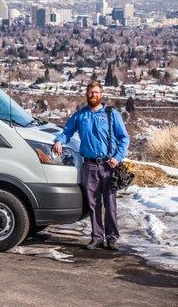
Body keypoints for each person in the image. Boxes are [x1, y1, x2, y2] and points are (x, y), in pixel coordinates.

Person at [52, 80, 130, 251]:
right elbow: (67, 132)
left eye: (96, 92)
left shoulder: (111, 114)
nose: (93, 95)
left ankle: (112, 238)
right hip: (89, 166)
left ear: (101, 94)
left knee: (110, 203)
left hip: (109, 165)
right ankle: (97, 237)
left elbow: (124, 138)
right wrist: (58, 141)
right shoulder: (81, 115)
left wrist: (117, 158)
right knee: (94, 204)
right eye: (90, 92)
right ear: (86, 94)